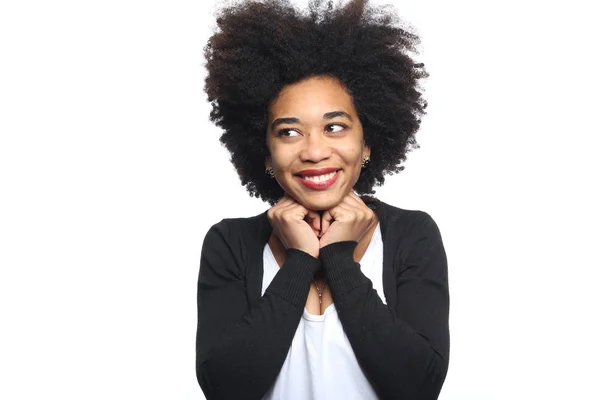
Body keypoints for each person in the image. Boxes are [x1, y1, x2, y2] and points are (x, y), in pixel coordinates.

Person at [196, 0, 449, 399]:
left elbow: (418, 388)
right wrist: (299, 262)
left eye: (335, 127)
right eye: (289, 132)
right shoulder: (230, 243)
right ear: (265, 153)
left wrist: (338, 258)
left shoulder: (411, 235)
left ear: (366, 143)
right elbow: (226, 389)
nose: (314, 151)